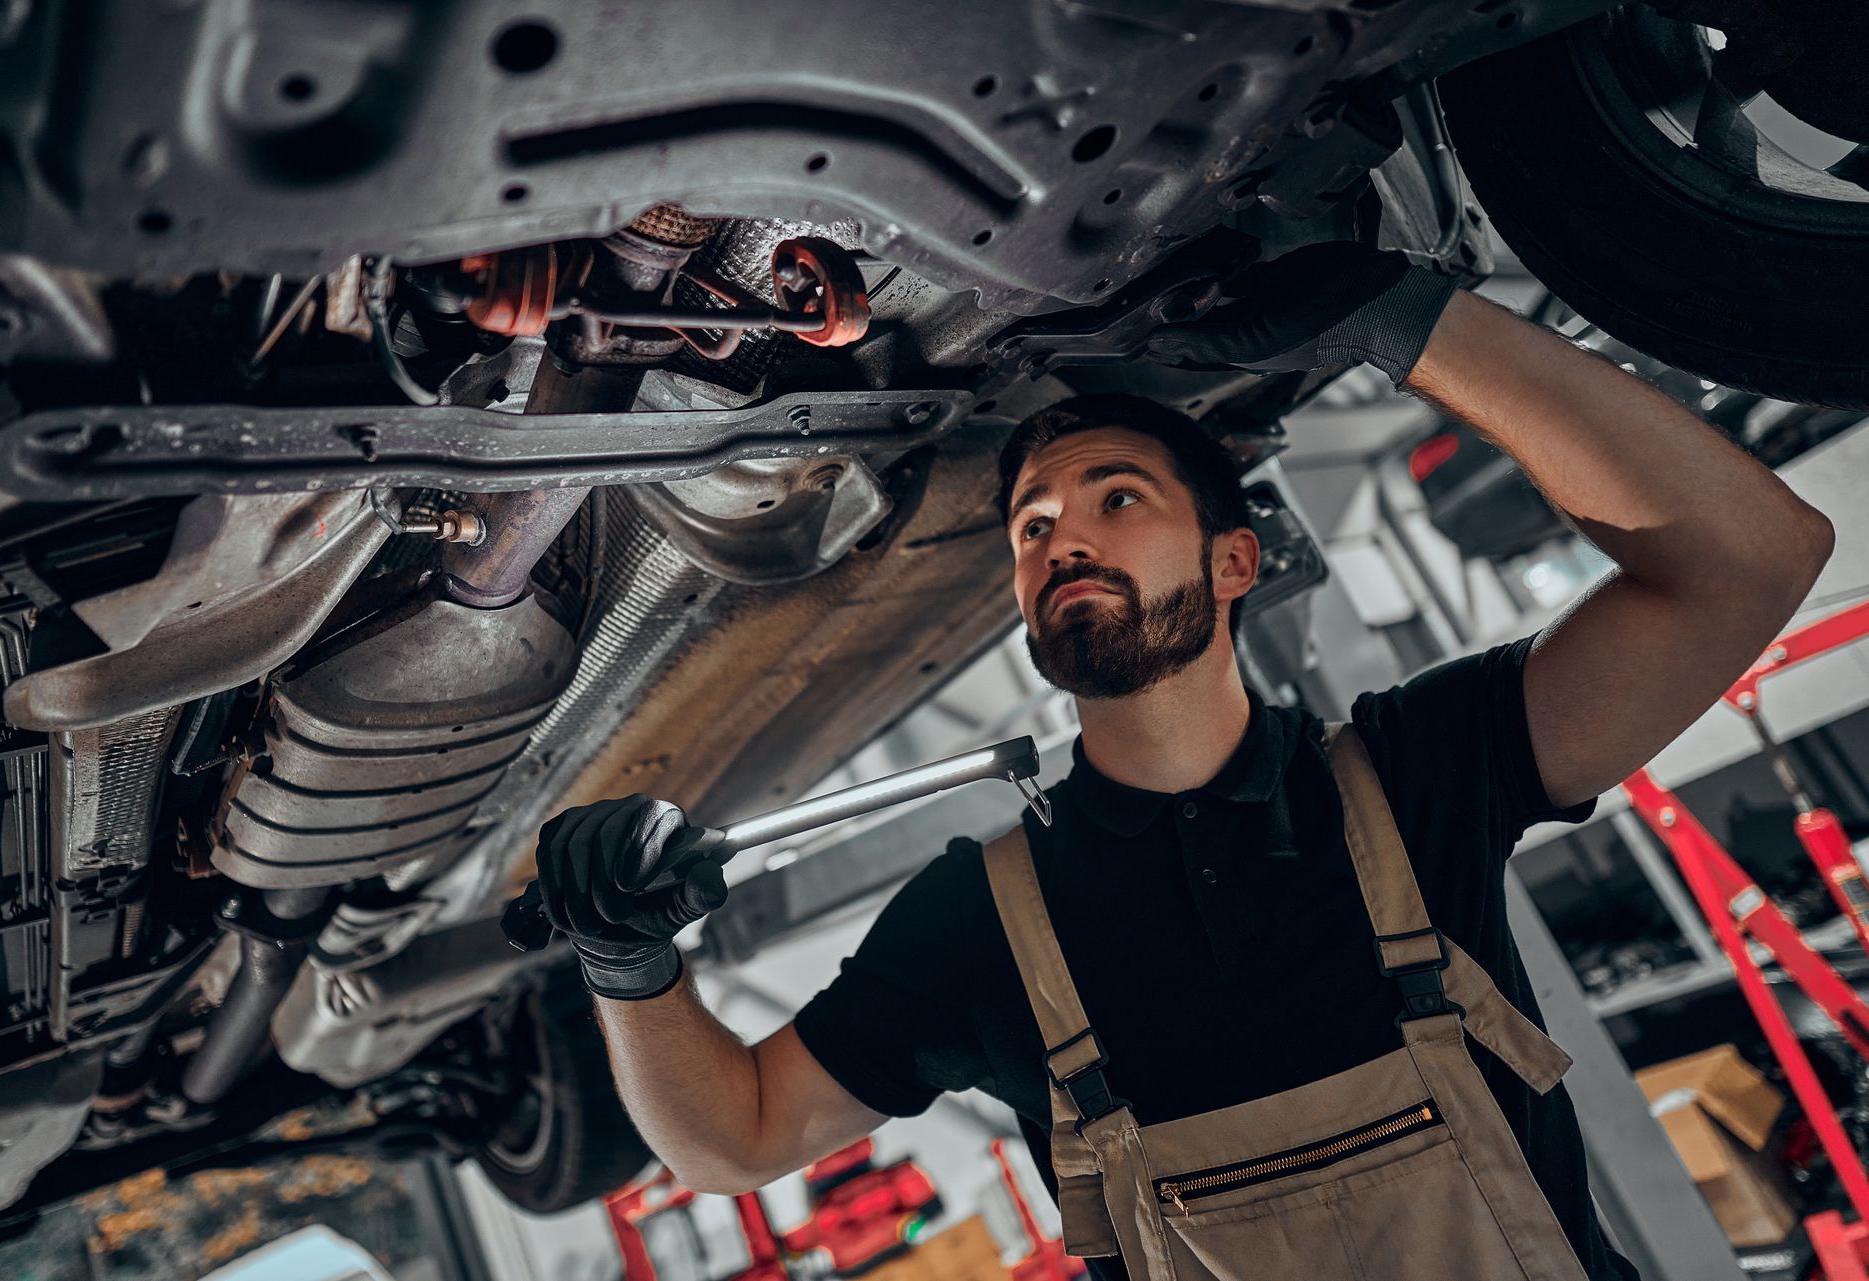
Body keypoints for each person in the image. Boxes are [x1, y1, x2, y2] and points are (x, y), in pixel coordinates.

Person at [533, 243, 1834, 1279]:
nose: (1061, 538)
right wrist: (629, 967)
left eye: (1117, 497)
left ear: (1236, 561)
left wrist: (1404, 317)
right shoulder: (982, 921)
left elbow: (1751, 556)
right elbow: (738, 1136)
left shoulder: (1417, 775)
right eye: (1035, 525)